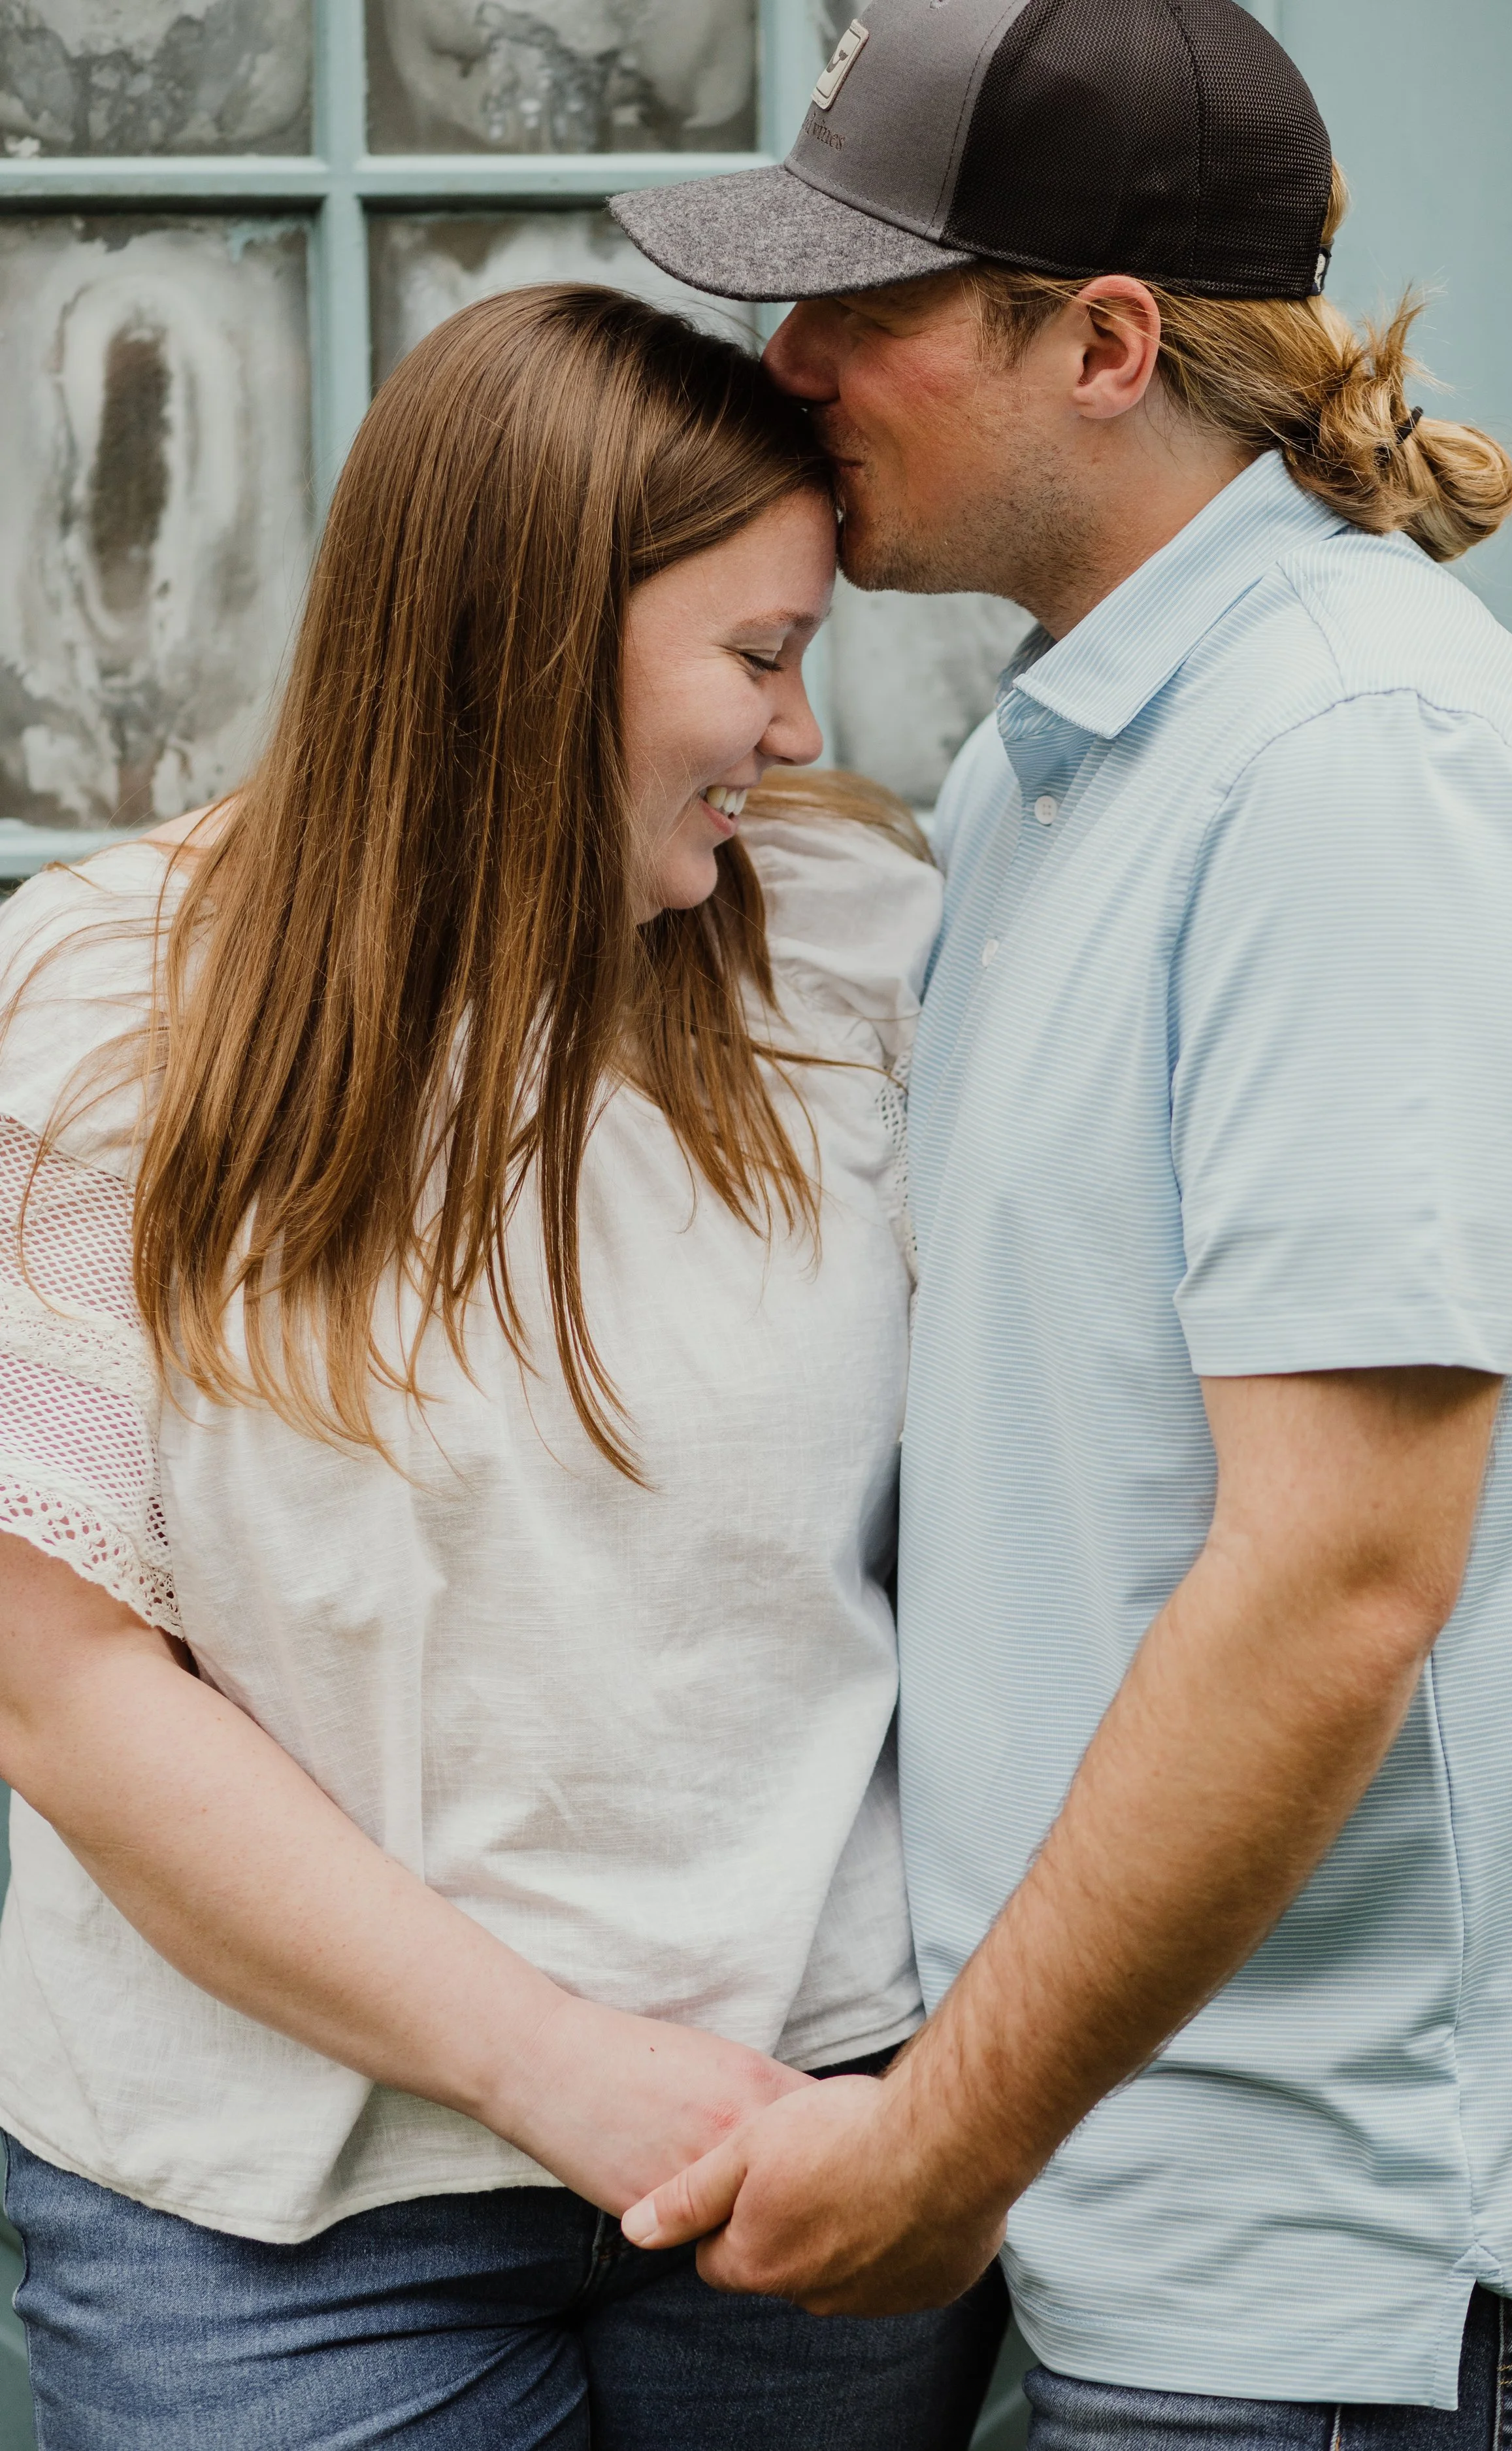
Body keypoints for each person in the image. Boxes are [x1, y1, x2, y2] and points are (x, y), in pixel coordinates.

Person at [612, 4, 1512, 2445]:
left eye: (866, 302)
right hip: (1149, 2253)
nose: (792, 362)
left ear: (1100, 343)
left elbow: (1331, 1584)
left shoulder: (1349, 767)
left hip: (1348, 2298)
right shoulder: (1057, 770)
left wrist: (937, 2152)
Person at [0, 284, 1008, 2448]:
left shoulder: (856, 948)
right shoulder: (94, 1007)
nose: (797, 731)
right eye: (753, 655)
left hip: (798, 2152)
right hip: (271, 2229)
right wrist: (553, 2060)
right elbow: (60, 1682)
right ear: (536, 646)